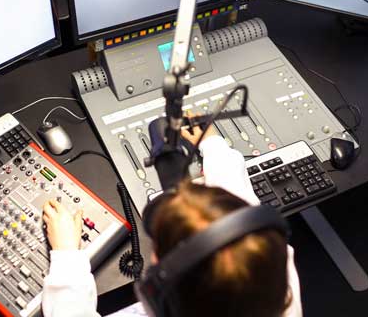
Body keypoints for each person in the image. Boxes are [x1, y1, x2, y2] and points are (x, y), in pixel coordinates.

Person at [41, 124, 303, 317]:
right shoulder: (277, 286)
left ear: (159, 288)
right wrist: (213, 145)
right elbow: (242, 223)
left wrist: (66, 253)